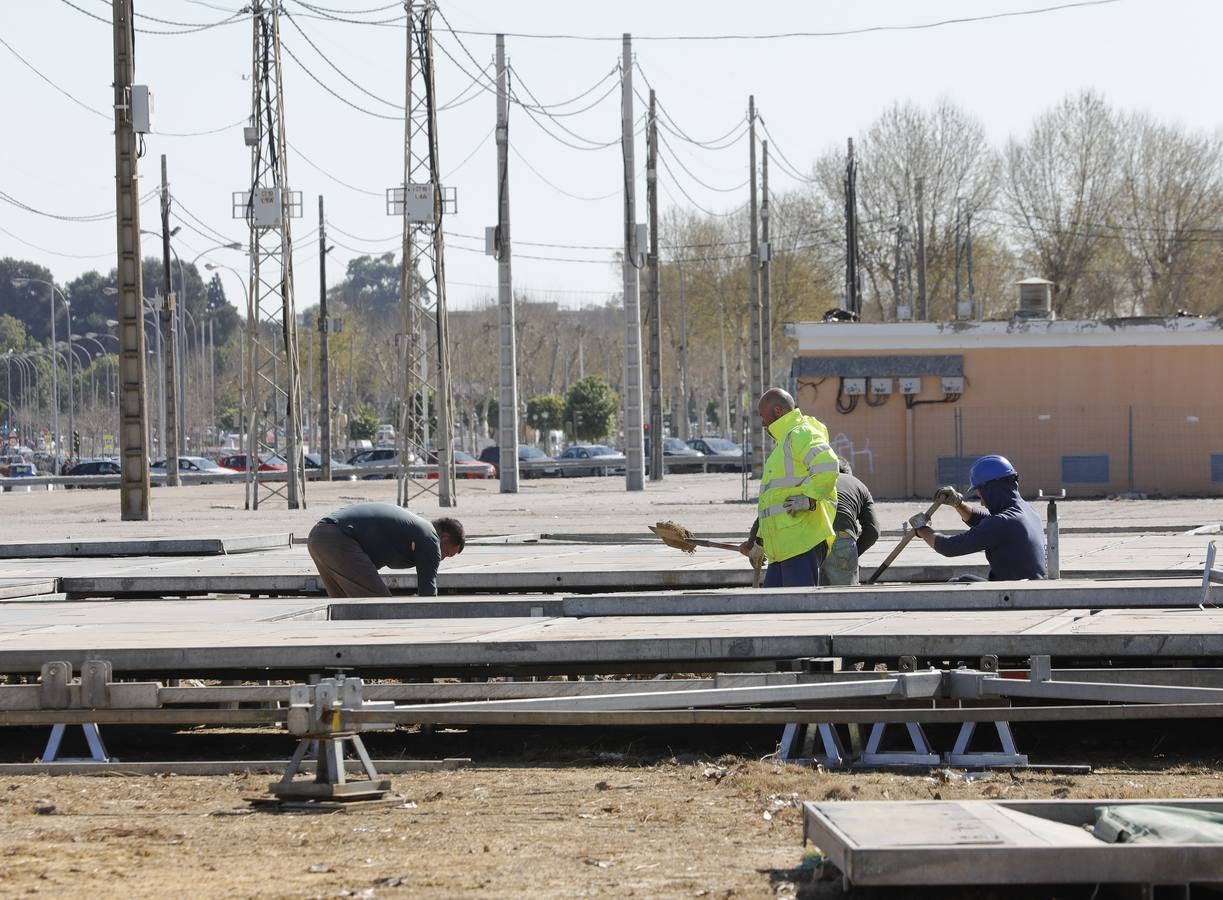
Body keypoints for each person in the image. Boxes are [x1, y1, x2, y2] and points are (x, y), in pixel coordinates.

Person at [738, 388, 840, 587]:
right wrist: (759, 542)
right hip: (783, 546)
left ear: (778, 411)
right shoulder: (783, 442)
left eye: (763, 415)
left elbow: (828, 466)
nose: (762, 422)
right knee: (775, 609)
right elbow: (773, 502)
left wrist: (809, 499)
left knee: (796, 608)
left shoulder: (800, 434)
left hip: (801, 542)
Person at [912, 454, 1047, 582]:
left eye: (981, 495)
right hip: (1028, 588)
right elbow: (987, 523)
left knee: (958, 583)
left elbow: (949, 547)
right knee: (965, 580)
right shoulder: (1028, 512)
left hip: (1013, 595)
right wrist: (958, 504)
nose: (982, 502)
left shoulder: (1002, 523)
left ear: (991, 490)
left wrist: (922, 529)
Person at [307, 501, 465, 597]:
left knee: (343, 605)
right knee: (380, 604)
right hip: (338, 538)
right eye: (447, 553)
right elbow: (428, 591)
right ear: (444, 537)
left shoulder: (415, 528)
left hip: (318, 535)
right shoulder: (430, 537)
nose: (441, 558)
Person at [820, 458, 880, 586]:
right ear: (848, 472)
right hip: (841, 539)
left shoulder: (817, 480)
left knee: (816, 597)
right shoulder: (859, 486)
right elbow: (873, 531)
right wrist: (854, 552)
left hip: (812, 541)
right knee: (844, 599)